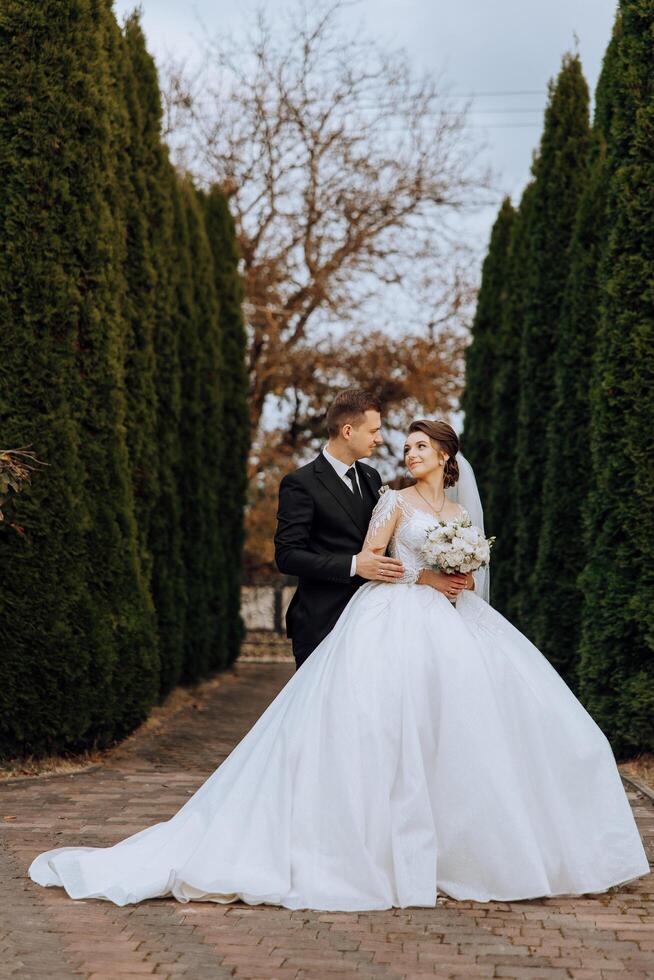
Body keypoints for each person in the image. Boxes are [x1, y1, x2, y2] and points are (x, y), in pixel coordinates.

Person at [28, 419, 650, 910]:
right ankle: (382, 855)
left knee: (476, 733)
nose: (407, 453)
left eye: (419, 446)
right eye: (402, 444)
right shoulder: (393, 502)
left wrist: (458, 577)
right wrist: (423, 575)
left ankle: (470, 854)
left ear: (445, 456)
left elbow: (466, 572)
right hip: (393, 621)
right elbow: (374, 560)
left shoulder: (461, 516)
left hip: (457, 628)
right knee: (385, 734)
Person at [274, 388, 406, 669]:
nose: (379, 439)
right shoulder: (300, 483)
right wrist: (354, 565)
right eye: (374, 431)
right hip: (322, 623)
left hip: (371, 623)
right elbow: (287, 556)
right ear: (348, 431)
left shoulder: (372, 477)